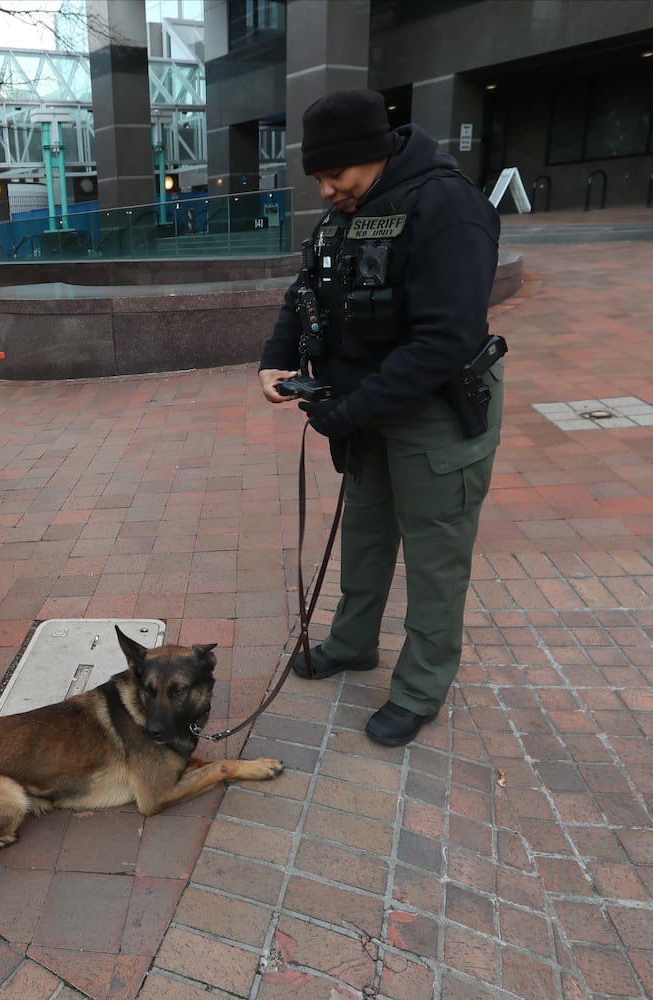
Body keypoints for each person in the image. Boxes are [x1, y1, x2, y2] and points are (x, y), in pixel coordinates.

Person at [258, 88, 503, 747]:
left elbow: (444, 341)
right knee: (365, 535)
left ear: (370, 155)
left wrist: (346, 412)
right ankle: (351, 643)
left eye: (333, 175)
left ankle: (420, 688)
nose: (326, 190)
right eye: (318, 178)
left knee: (433, 557)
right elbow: (305, 290)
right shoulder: (349, 212)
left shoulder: (447, 208)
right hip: (364, 410)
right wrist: (274, 360)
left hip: (435, 415)